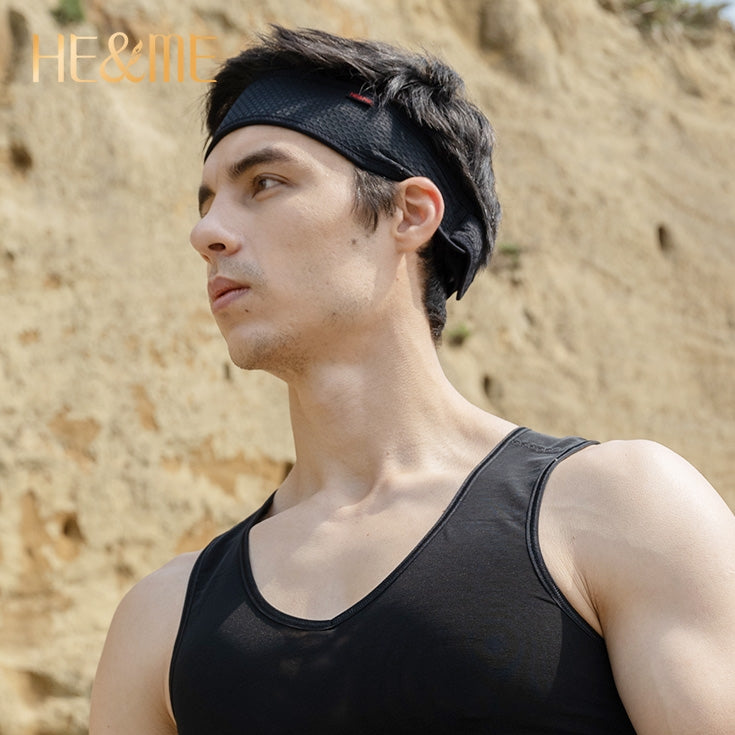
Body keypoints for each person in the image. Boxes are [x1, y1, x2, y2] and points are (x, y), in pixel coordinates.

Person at [89, 25, 735, 735]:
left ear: (410, 213)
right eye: (207, 200)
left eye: (264, 183)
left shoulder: (618, 512)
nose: (207, 233)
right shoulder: (161, 621)